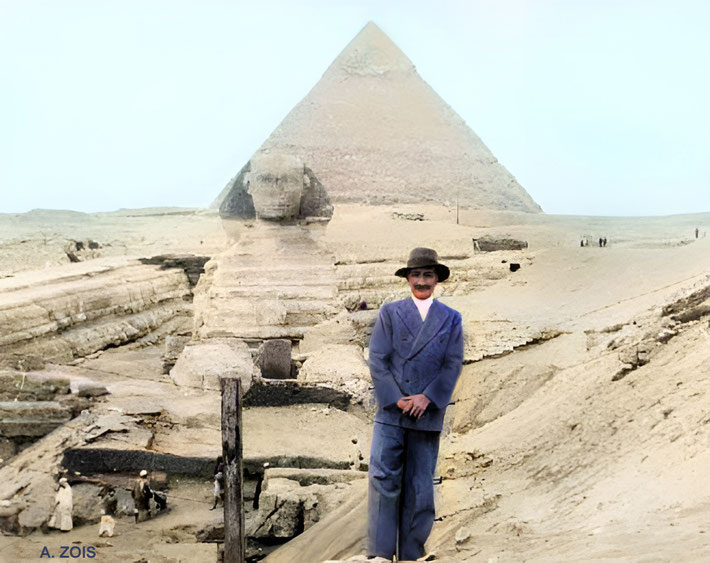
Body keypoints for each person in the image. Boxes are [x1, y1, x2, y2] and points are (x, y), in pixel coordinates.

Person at [367, 247, 464, 561]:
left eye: (428, 275)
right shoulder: (389, 313)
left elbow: (452, 364)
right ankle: (380, 553)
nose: (422, 281)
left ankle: (411, 553)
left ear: (437, 280)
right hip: (391, 412)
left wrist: (428, 397)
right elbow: (378, 361)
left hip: (427, 414)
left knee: (420, 486)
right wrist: (397, 398)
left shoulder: (451, 319)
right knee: (383, 482)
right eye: (416, 275)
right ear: (408, 278)